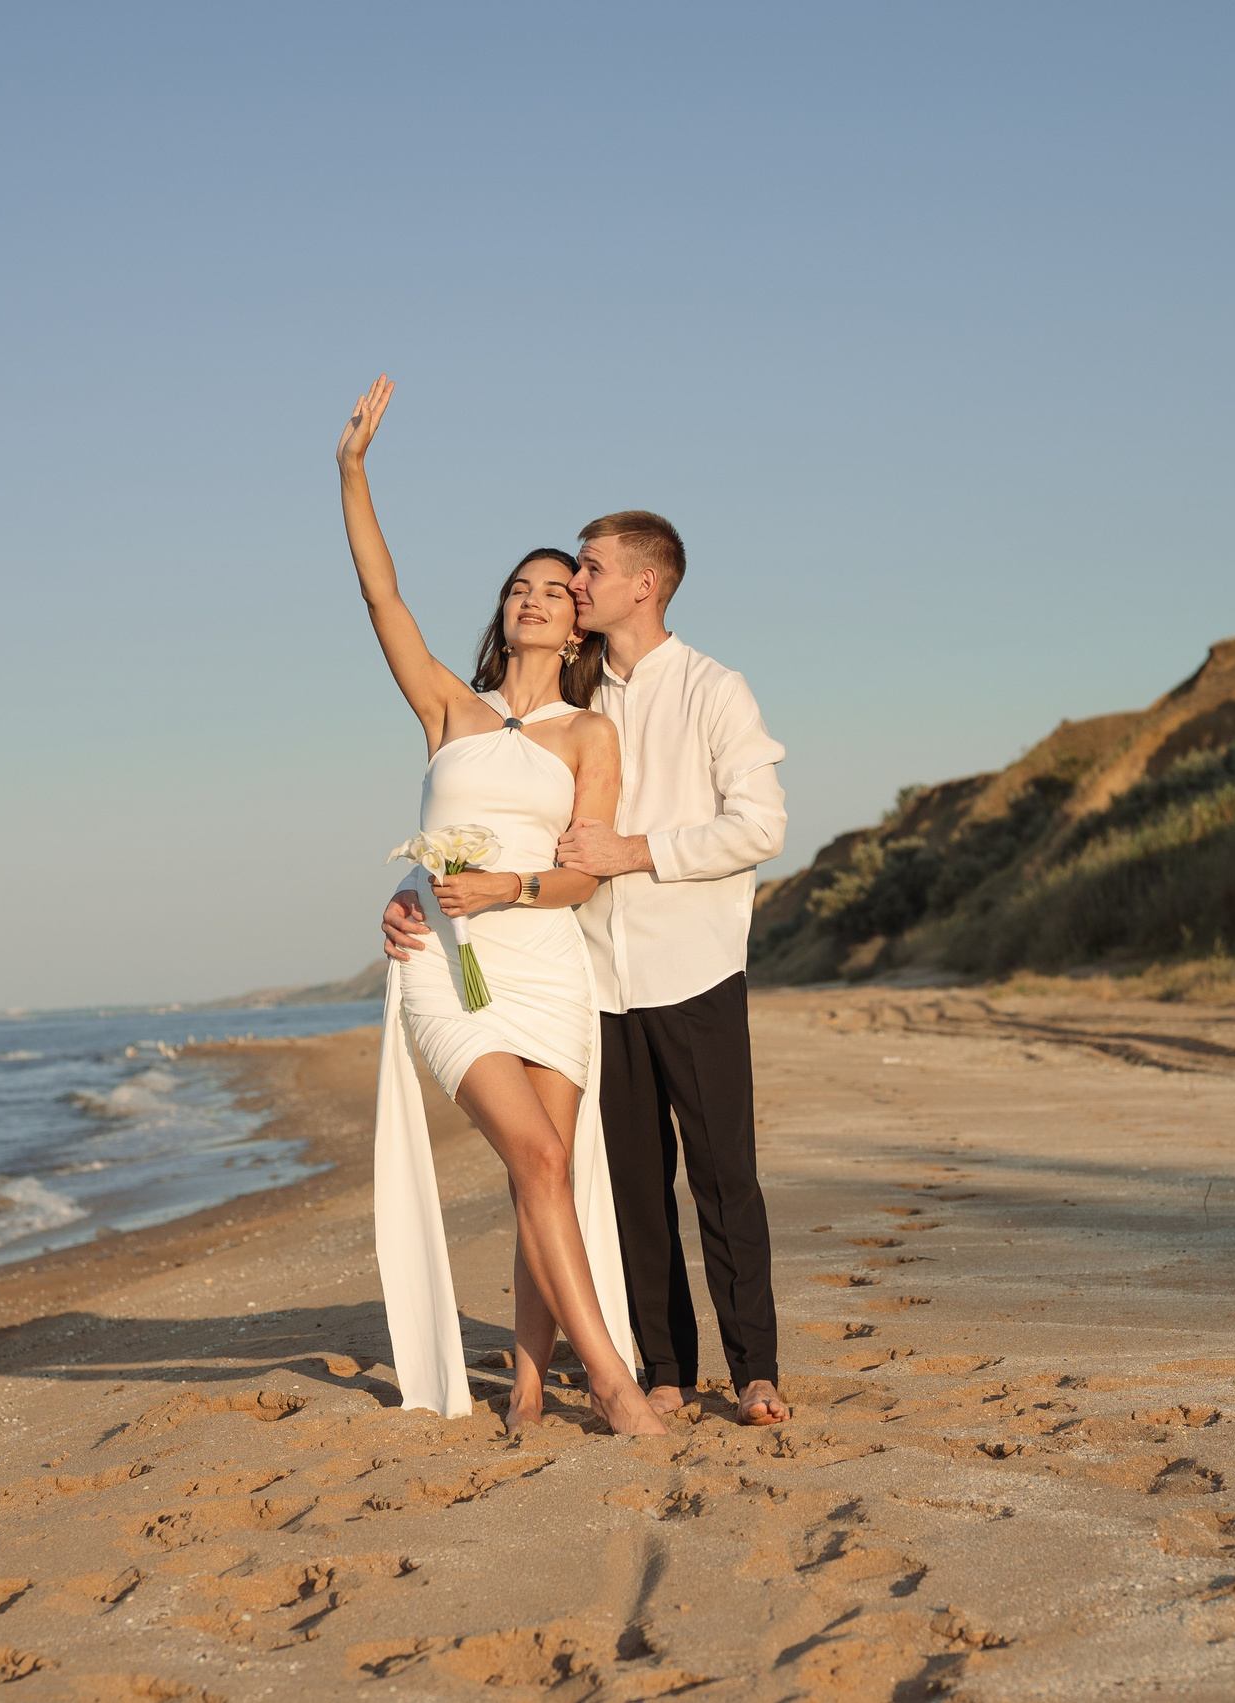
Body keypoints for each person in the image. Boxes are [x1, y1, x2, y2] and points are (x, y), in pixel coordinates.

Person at [385, 508, 791, 1427]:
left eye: (589, 571)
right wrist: (417, 887)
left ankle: (755, 1368)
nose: (575, 584)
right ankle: (661, 1369)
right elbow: (485, 806)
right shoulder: (575, 699)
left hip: (693, 964)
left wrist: (635, 850)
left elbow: (761, 826)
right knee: (634, 1185)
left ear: (641, 585)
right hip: (593, 975)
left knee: (724, 1173)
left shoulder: (713, 688)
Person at [336, 375, 663, 1438]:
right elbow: (382, 596)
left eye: (554, 590)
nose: (531, 597)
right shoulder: (448, 707)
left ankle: (528, 1385)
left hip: (545, 964)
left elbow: (581, 874)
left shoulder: (589, 736)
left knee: (549, 1172)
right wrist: (352, 473)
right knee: (533, 1158)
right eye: (518, 586)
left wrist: (512, 884)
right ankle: (610, 1380)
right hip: (448, 965)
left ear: (579, 621)